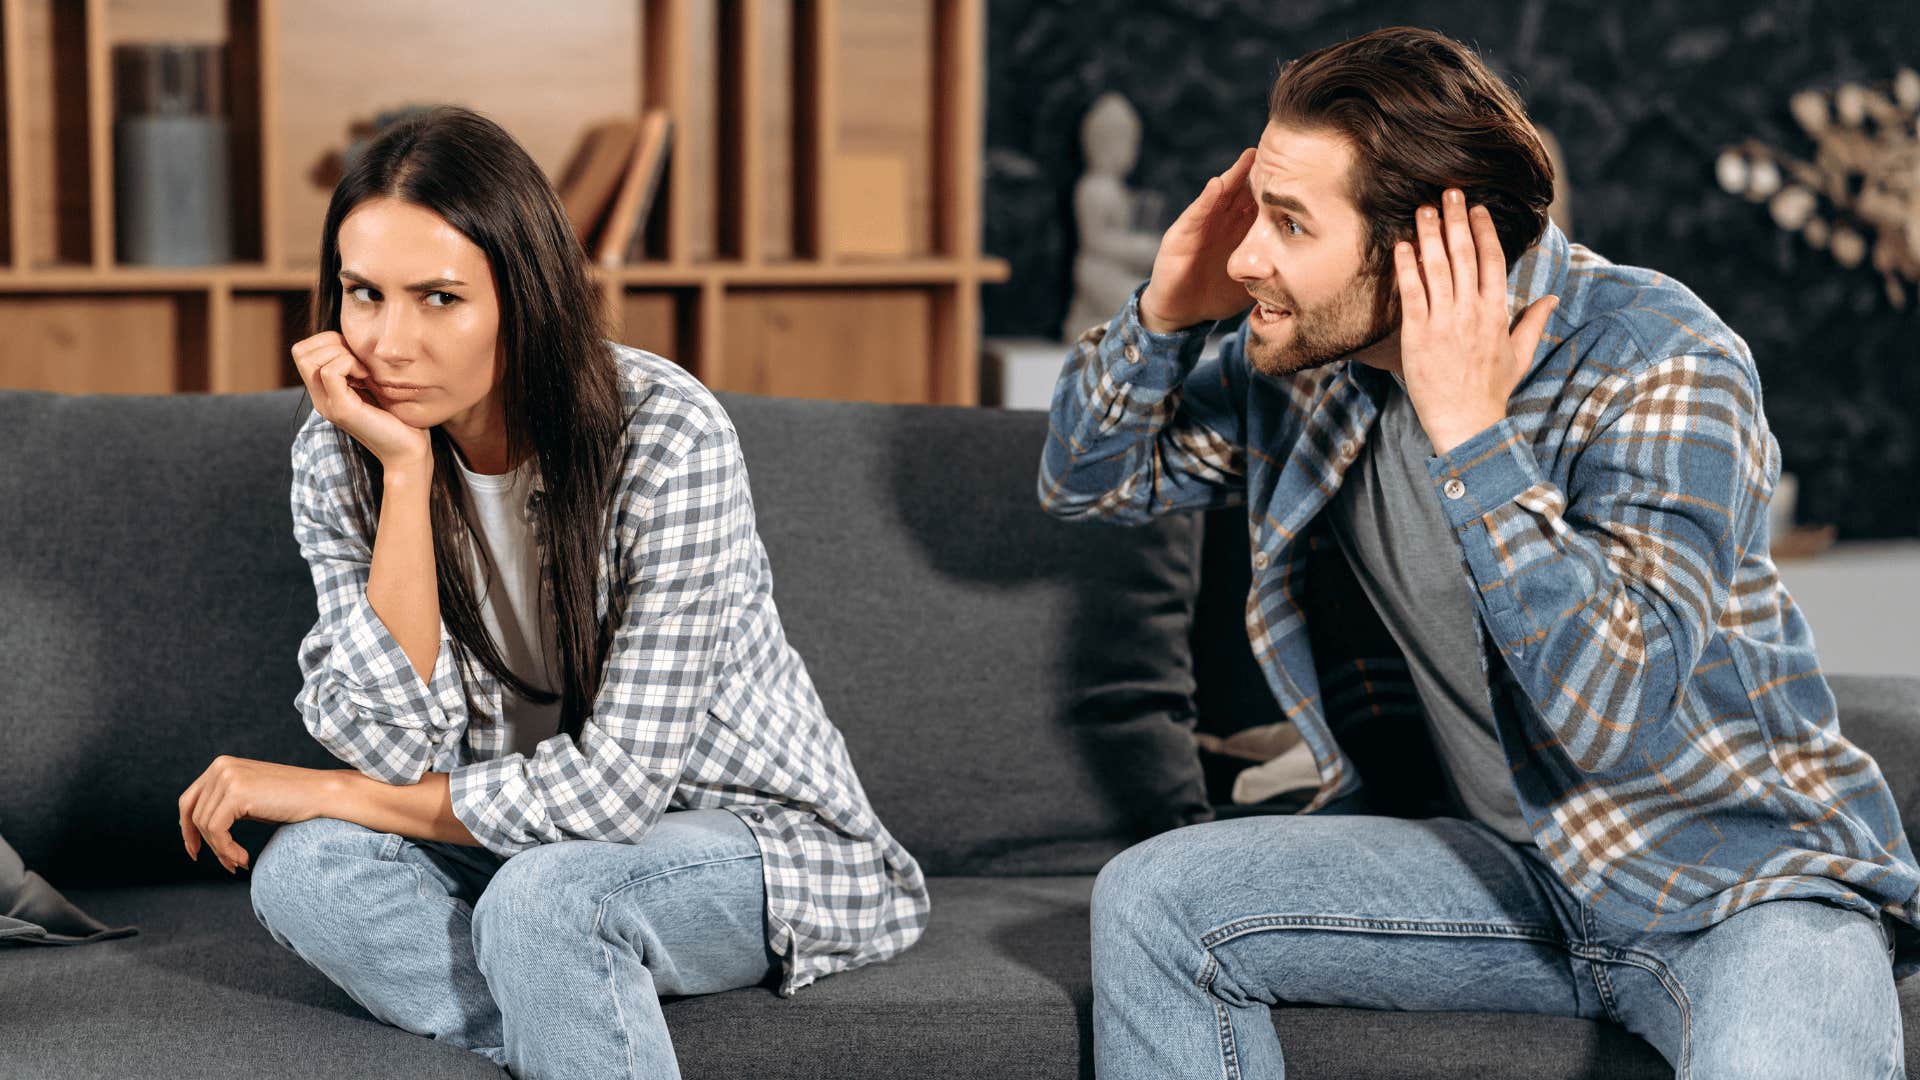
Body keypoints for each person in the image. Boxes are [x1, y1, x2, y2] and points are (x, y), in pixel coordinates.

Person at [1039, 26, 1917, 1080]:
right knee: (1153, 901)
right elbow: (1086, 479)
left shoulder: (1661, 358)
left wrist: (1470, 438)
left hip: (1739, 888)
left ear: (1414, 248)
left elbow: (1609, 710)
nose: (1245, 256)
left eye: (1286, 222)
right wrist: (1164, 309)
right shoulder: (1316, 367)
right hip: (1504, 877)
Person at [174, 105, 928, 1078]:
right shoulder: (342, 448)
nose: (388, 343)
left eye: (438, 299)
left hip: (752, 844)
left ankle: (569, 993)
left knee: (548, 899)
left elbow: (615, 793)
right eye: (363, 294)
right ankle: (574, 1020)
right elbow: (393, 745)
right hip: (511, 841)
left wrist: (322, 789)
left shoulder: (667, 436)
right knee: (309, 873)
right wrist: (404, 477)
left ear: (522, 297)